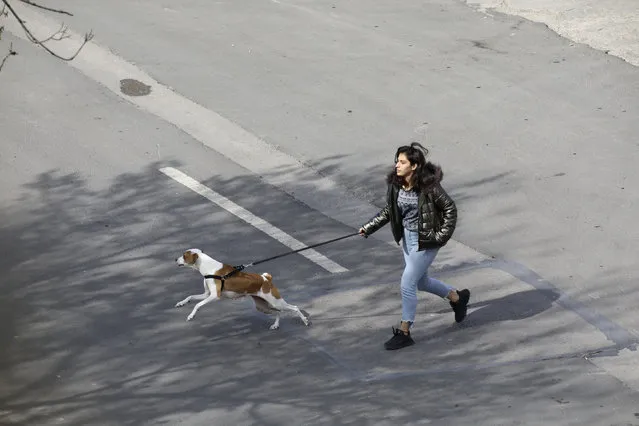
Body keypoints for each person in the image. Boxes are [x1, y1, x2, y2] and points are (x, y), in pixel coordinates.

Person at [359, 142, 470, 350]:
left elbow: (450, 209)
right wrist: (368, 227)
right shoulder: (397, 184)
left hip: (426, 241)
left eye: (402, 162)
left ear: (415, 165)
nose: (397, 166)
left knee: (407, 282)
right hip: (408, 239)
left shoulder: (429, 186)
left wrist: (439, 237)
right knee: (421, 282)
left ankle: (405, 331)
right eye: (397, 161)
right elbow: (390, 211)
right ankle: (457, 298)